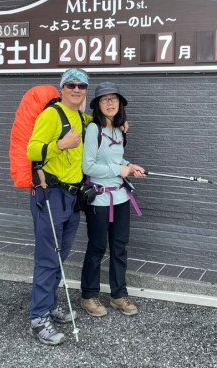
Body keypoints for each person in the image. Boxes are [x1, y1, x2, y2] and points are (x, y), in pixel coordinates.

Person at [27, 67, 92, 345]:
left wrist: (119, 123)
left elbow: (103, 122)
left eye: (81, 86)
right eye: (71, 85)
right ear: (62, 88)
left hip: (72, 197)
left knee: (61, 255)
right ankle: (38, 318)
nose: (76, 90)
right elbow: (32, 150)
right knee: (48, 257)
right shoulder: (51, 115)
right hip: (49, 194)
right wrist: (60, 145)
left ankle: (50, 304)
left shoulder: (82, 117)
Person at [80, 82, 145, 318]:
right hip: (99, 199)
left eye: (114, 99)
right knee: (97, 248)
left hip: (120, 197)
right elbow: (88, 167)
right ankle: (88, 296)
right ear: (97, 105)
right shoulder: (93, 130)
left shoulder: (119, 130)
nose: (110, 103)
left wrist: (129, 166)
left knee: (120, 248)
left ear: (120, 104)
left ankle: (118, 295)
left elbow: (118, 159)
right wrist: (119, 169)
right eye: (104, 99)